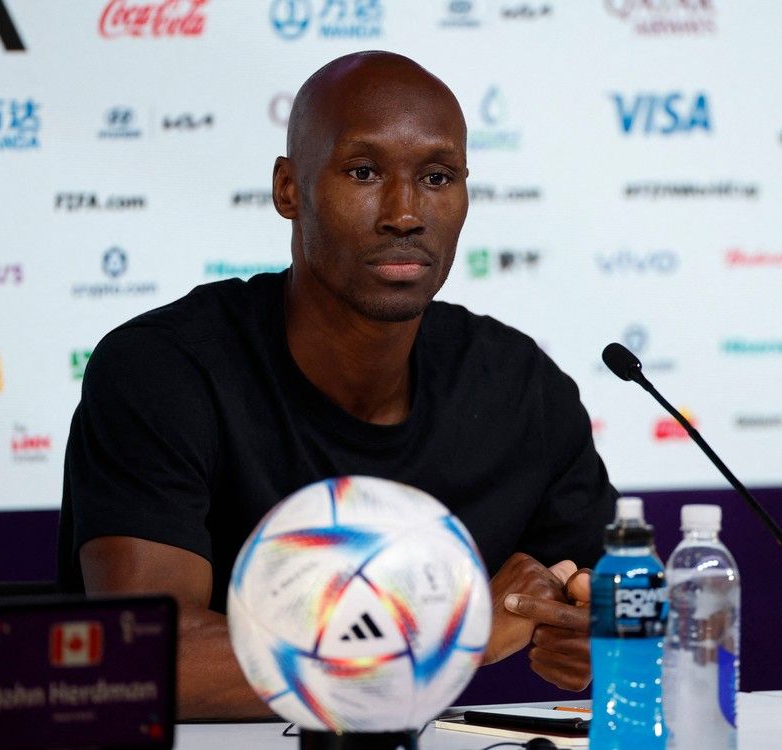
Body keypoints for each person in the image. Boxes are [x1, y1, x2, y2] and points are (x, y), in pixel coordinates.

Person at [57, 51, 617, 719]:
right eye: (364, 172)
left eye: (437, 177)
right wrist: (451, 636)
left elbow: (613, 602)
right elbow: (148, 655)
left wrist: (593, 635)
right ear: (289, 189)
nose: (405, 213)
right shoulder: (162, 370)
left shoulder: (523, 389)